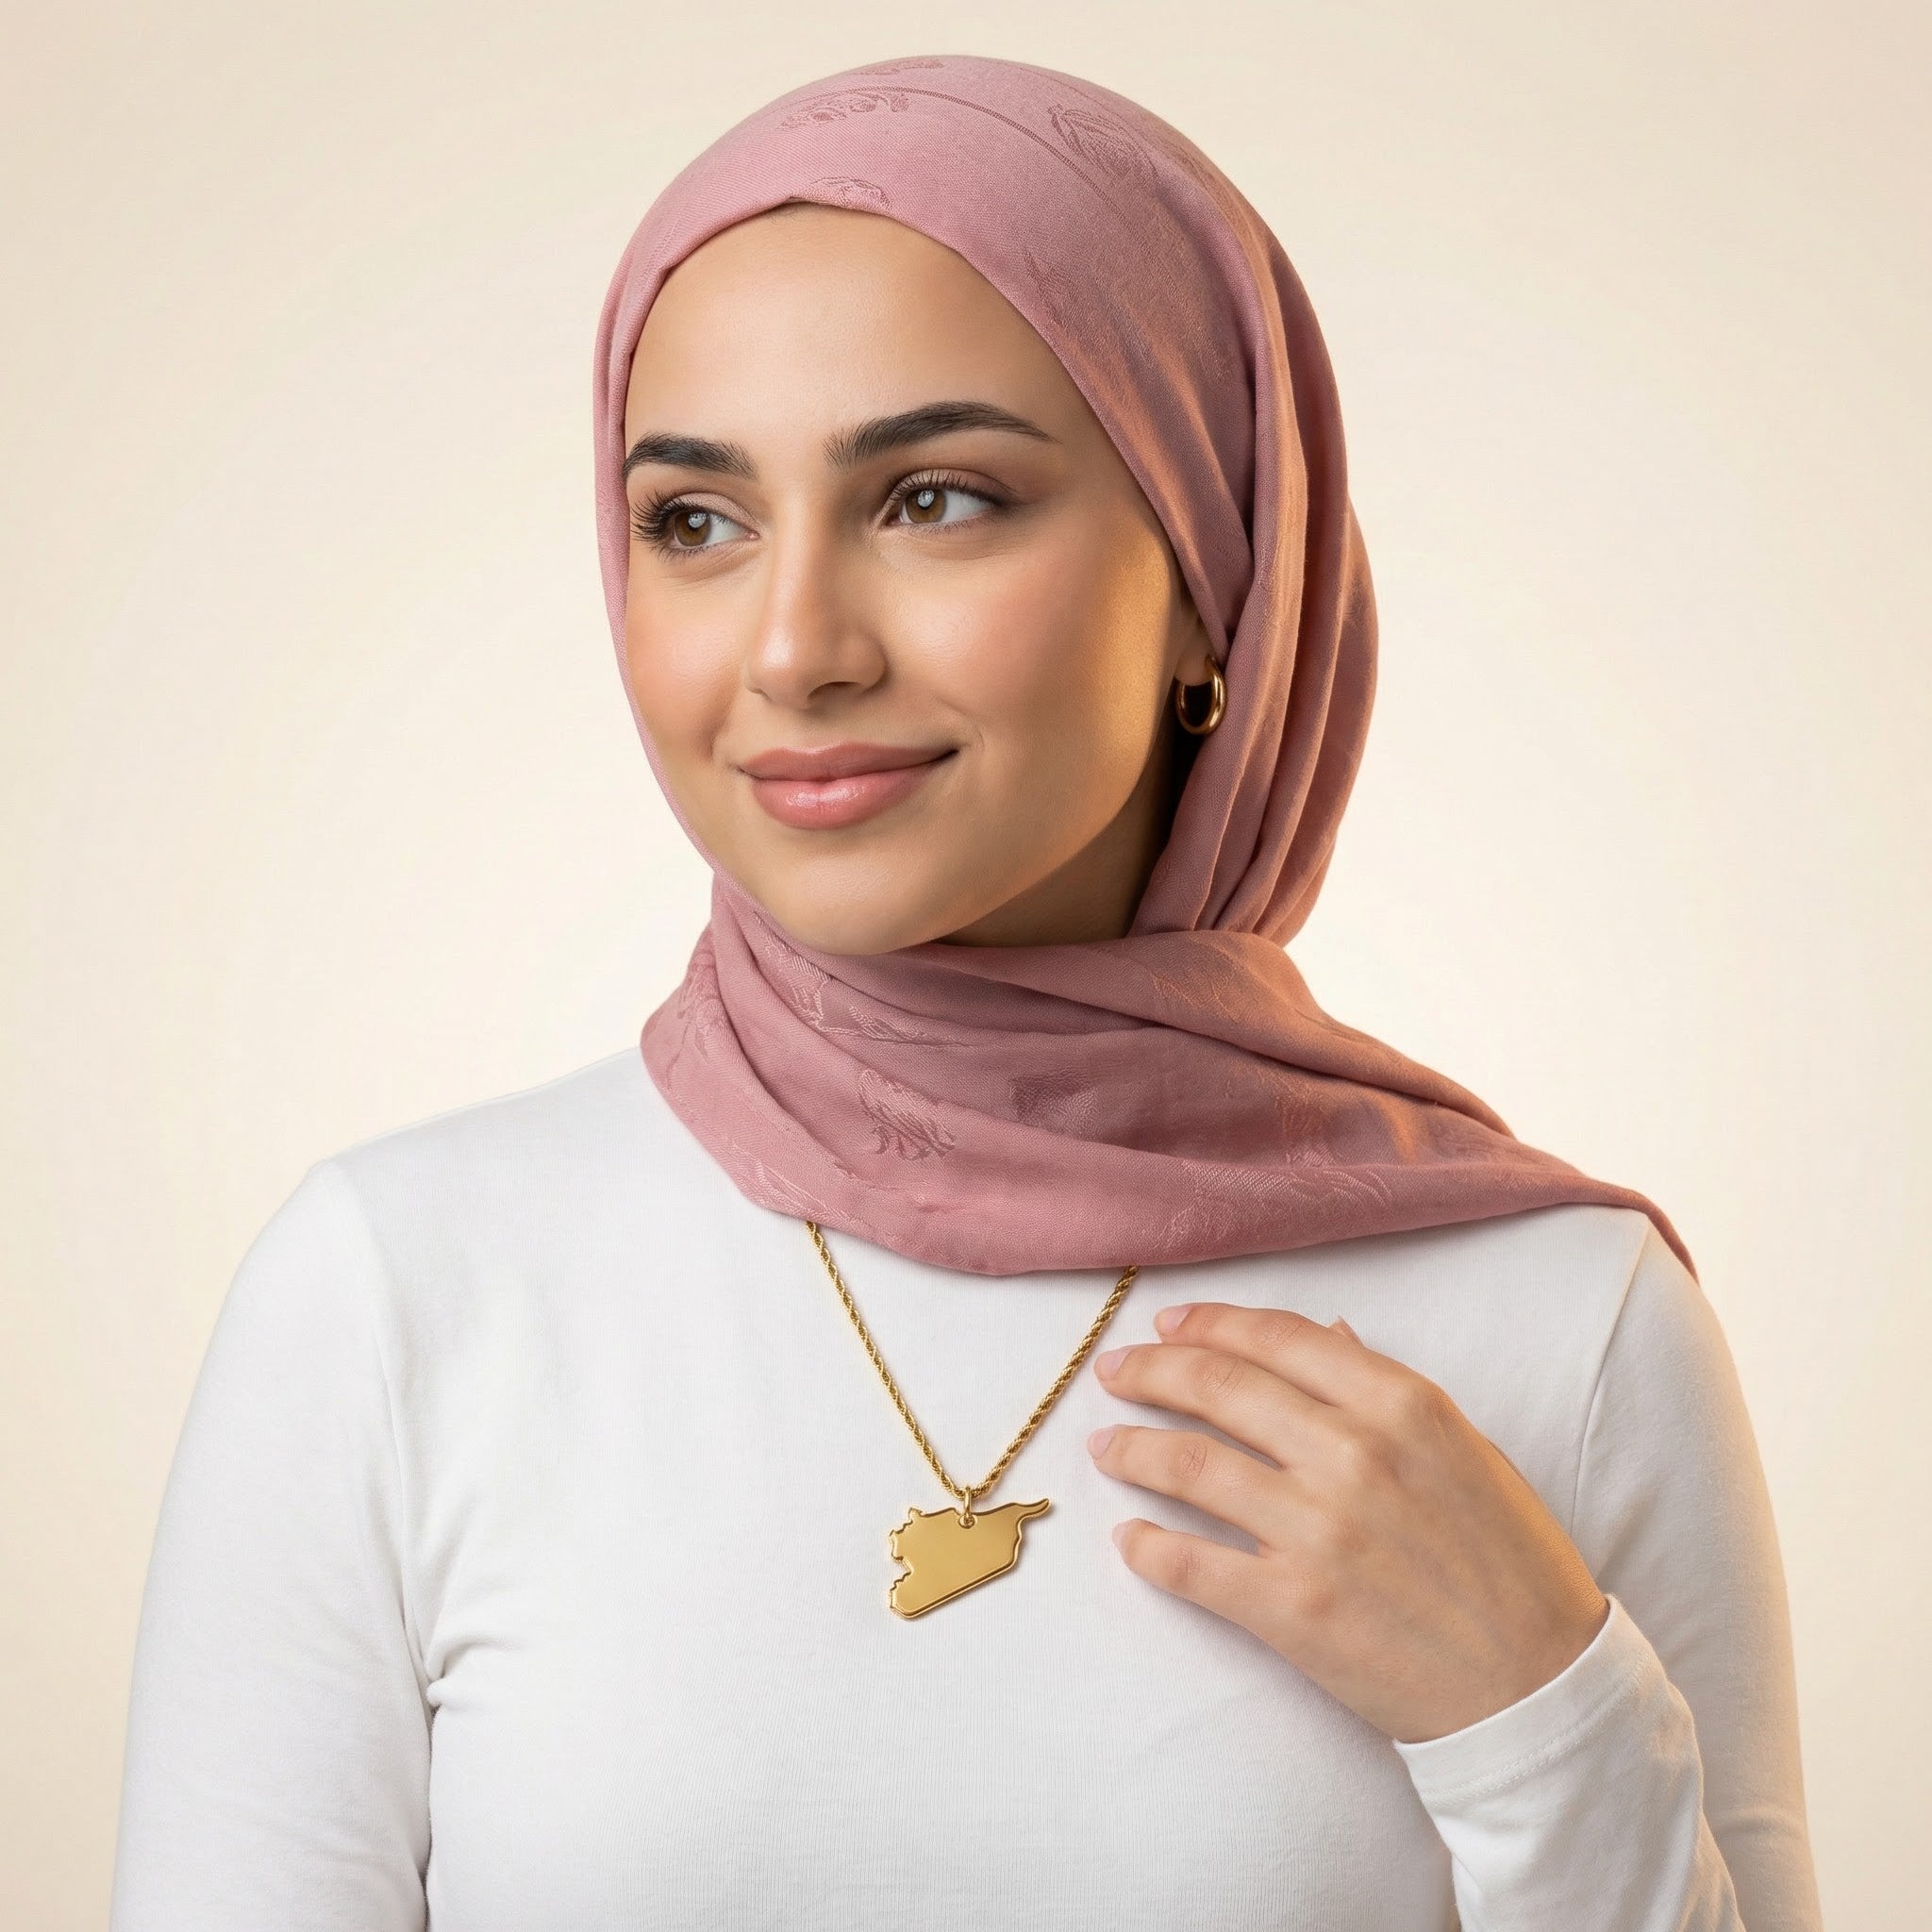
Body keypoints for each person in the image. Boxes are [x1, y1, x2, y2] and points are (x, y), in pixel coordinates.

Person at [108, 53, 1823, 1932]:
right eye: (694, 521)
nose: (794, 649)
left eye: (933, 498)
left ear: (1215, 573)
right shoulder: (399, 1294)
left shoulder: (1563, 1324)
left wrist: (1542, 1718)